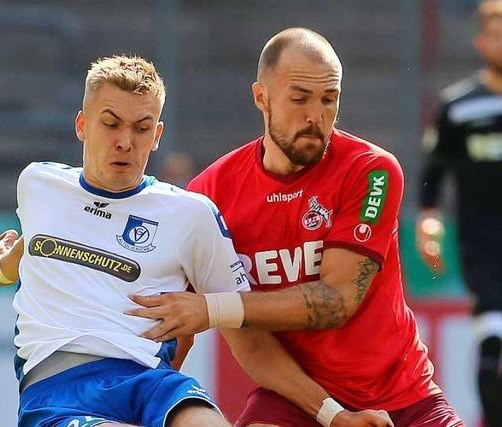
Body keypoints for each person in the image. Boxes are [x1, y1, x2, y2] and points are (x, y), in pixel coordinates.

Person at [0, 55, 393, 427]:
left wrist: (334, 415)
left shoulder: (191, 214)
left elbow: (247, 337)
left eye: (141, 128)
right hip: (58, 392)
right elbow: (36, 246)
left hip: (151, 384)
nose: (126, 141)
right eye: (111, 123)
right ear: (82, 125)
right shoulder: (38, 183)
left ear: (157, 134)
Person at [127, 28, 464, 427]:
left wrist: (210, 309)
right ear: (261, 98)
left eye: (329, 99)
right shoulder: (209, 196)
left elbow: (336, 301)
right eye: (300, 98)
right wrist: (332, 414)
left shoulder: (371, 170)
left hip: (404, 397)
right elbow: (247, 341)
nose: (315, 116)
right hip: (294, 398)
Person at [416, 2, 502, 425]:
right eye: (496, 29)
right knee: (493, 350)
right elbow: (432, 172)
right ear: (480, 42)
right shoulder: (457, 106)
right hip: (482, 249)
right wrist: (427, 222)